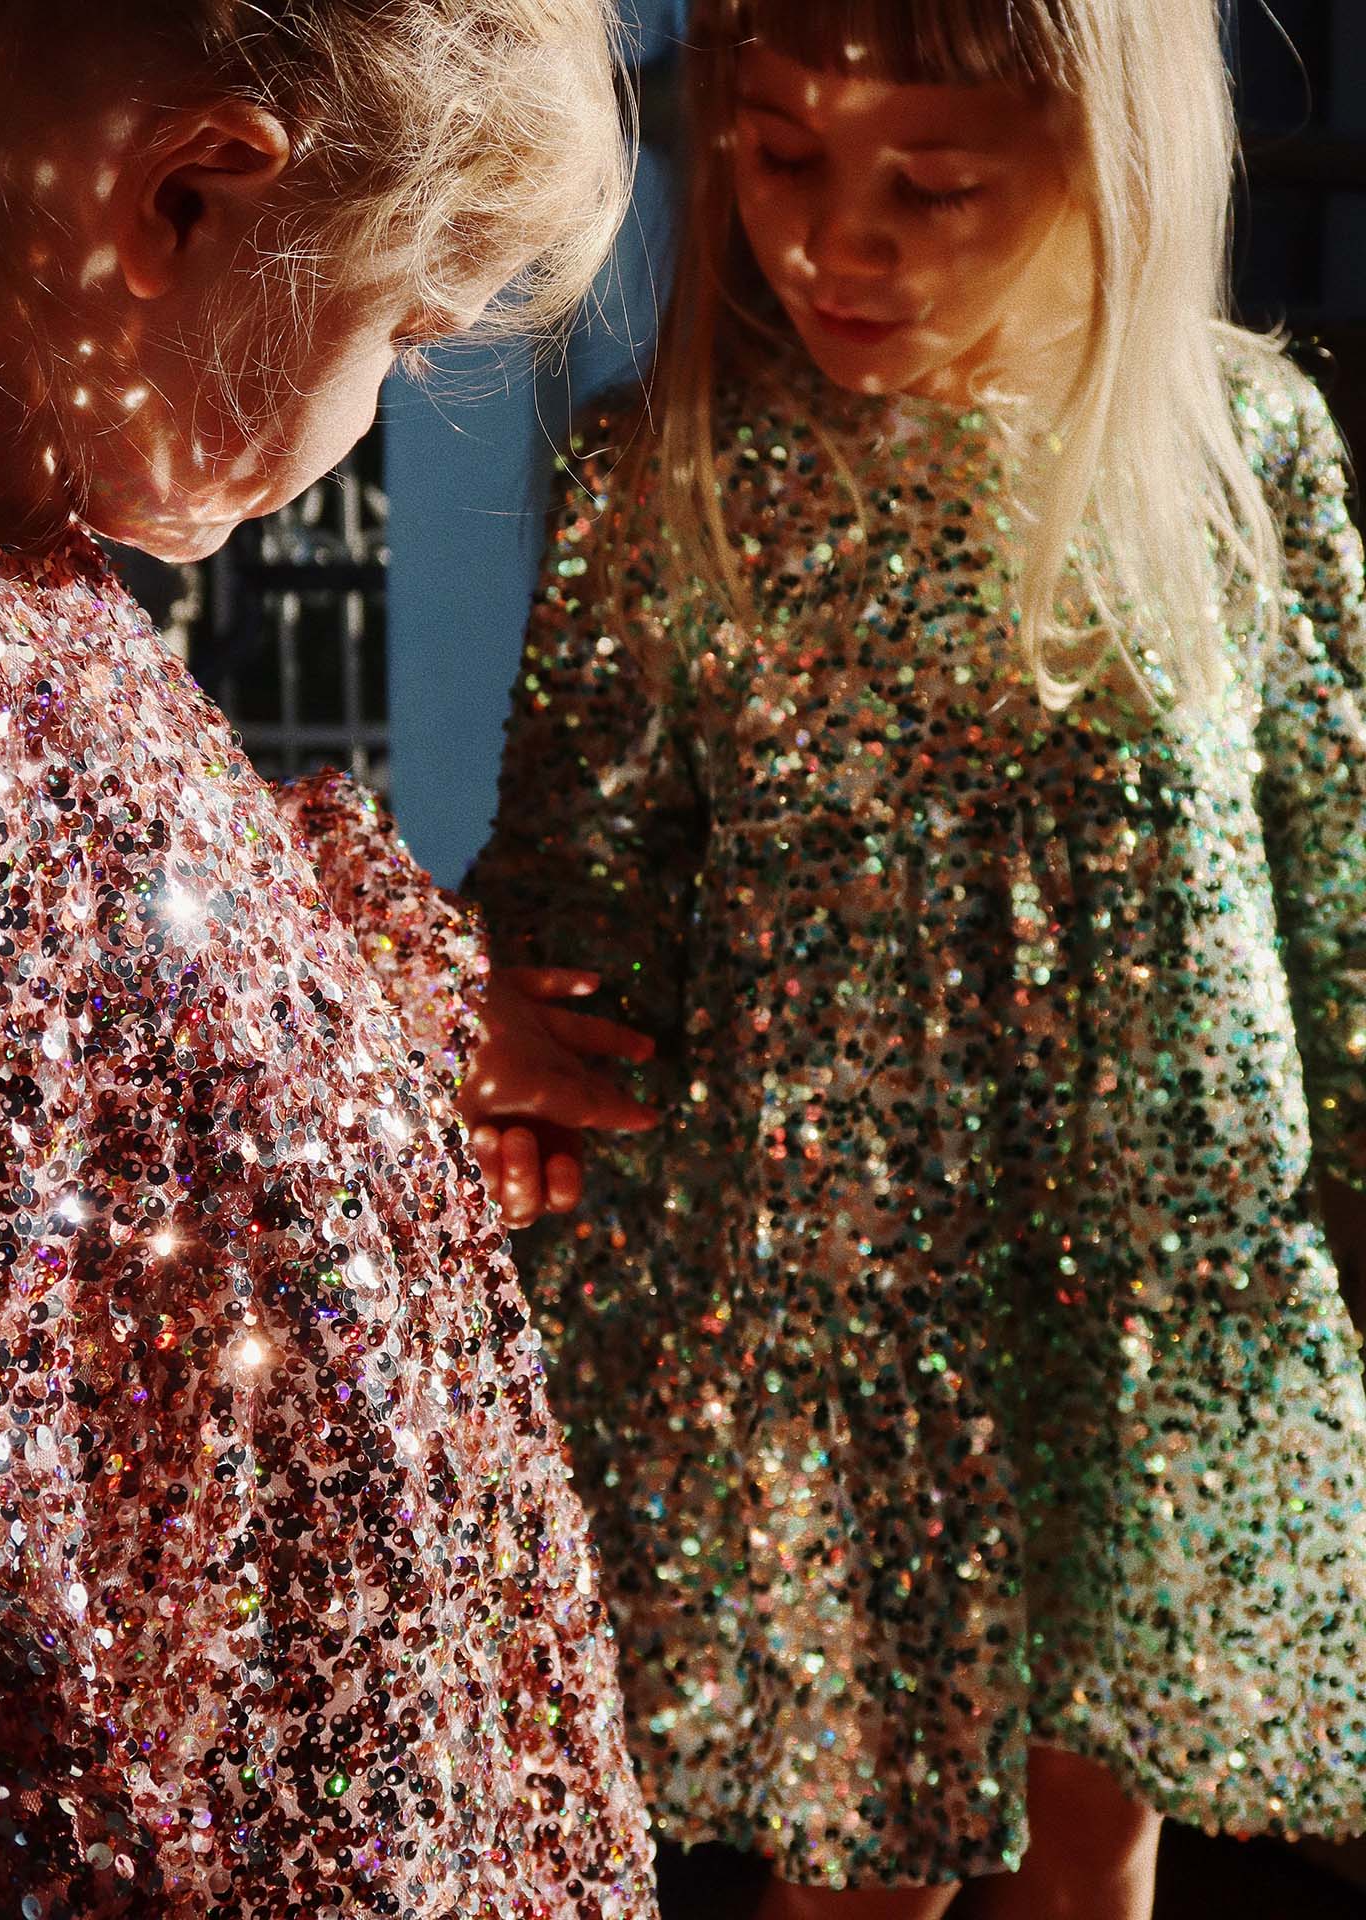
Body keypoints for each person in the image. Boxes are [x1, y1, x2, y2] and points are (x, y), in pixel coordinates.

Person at [464, 2, 1366, 1916]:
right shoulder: (677, 473)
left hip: (1155, 1299)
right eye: (781, 154)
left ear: (1102, 169)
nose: (836, 240)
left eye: (933, 184)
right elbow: (580, 875)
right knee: (857, 1860)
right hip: (841, 1311)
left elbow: (1337, 868)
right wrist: (519, 1060)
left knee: (1097, 1828)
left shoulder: (1240, 448)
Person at [0, 4, 661, 1917]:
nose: (379, 404)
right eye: (406, 333)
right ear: (189, 199)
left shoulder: (15, 591)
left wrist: (392, 1032)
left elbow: (134, 950)